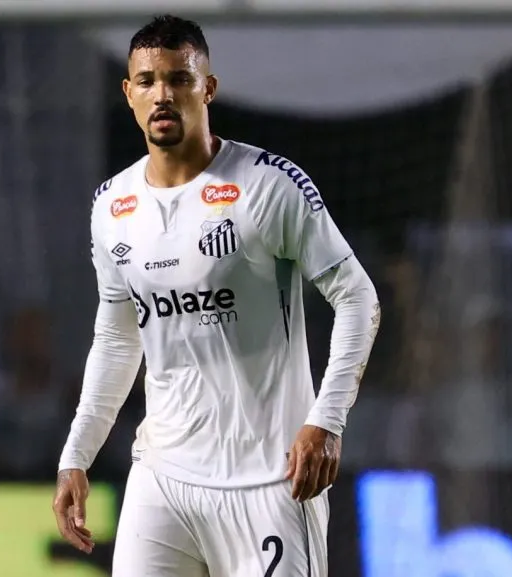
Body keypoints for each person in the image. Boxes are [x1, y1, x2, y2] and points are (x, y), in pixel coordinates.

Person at [52, 15, 380, 577]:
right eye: (148, 80)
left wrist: (327, 421)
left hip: (269, 481)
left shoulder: (268, 187)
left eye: (180, 79)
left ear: (208, 88)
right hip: (164, 477)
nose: (164, 94)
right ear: (128, 94)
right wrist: (77, 453)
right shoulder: (112, 206)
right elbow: (116, 335)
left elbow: (358, 298)